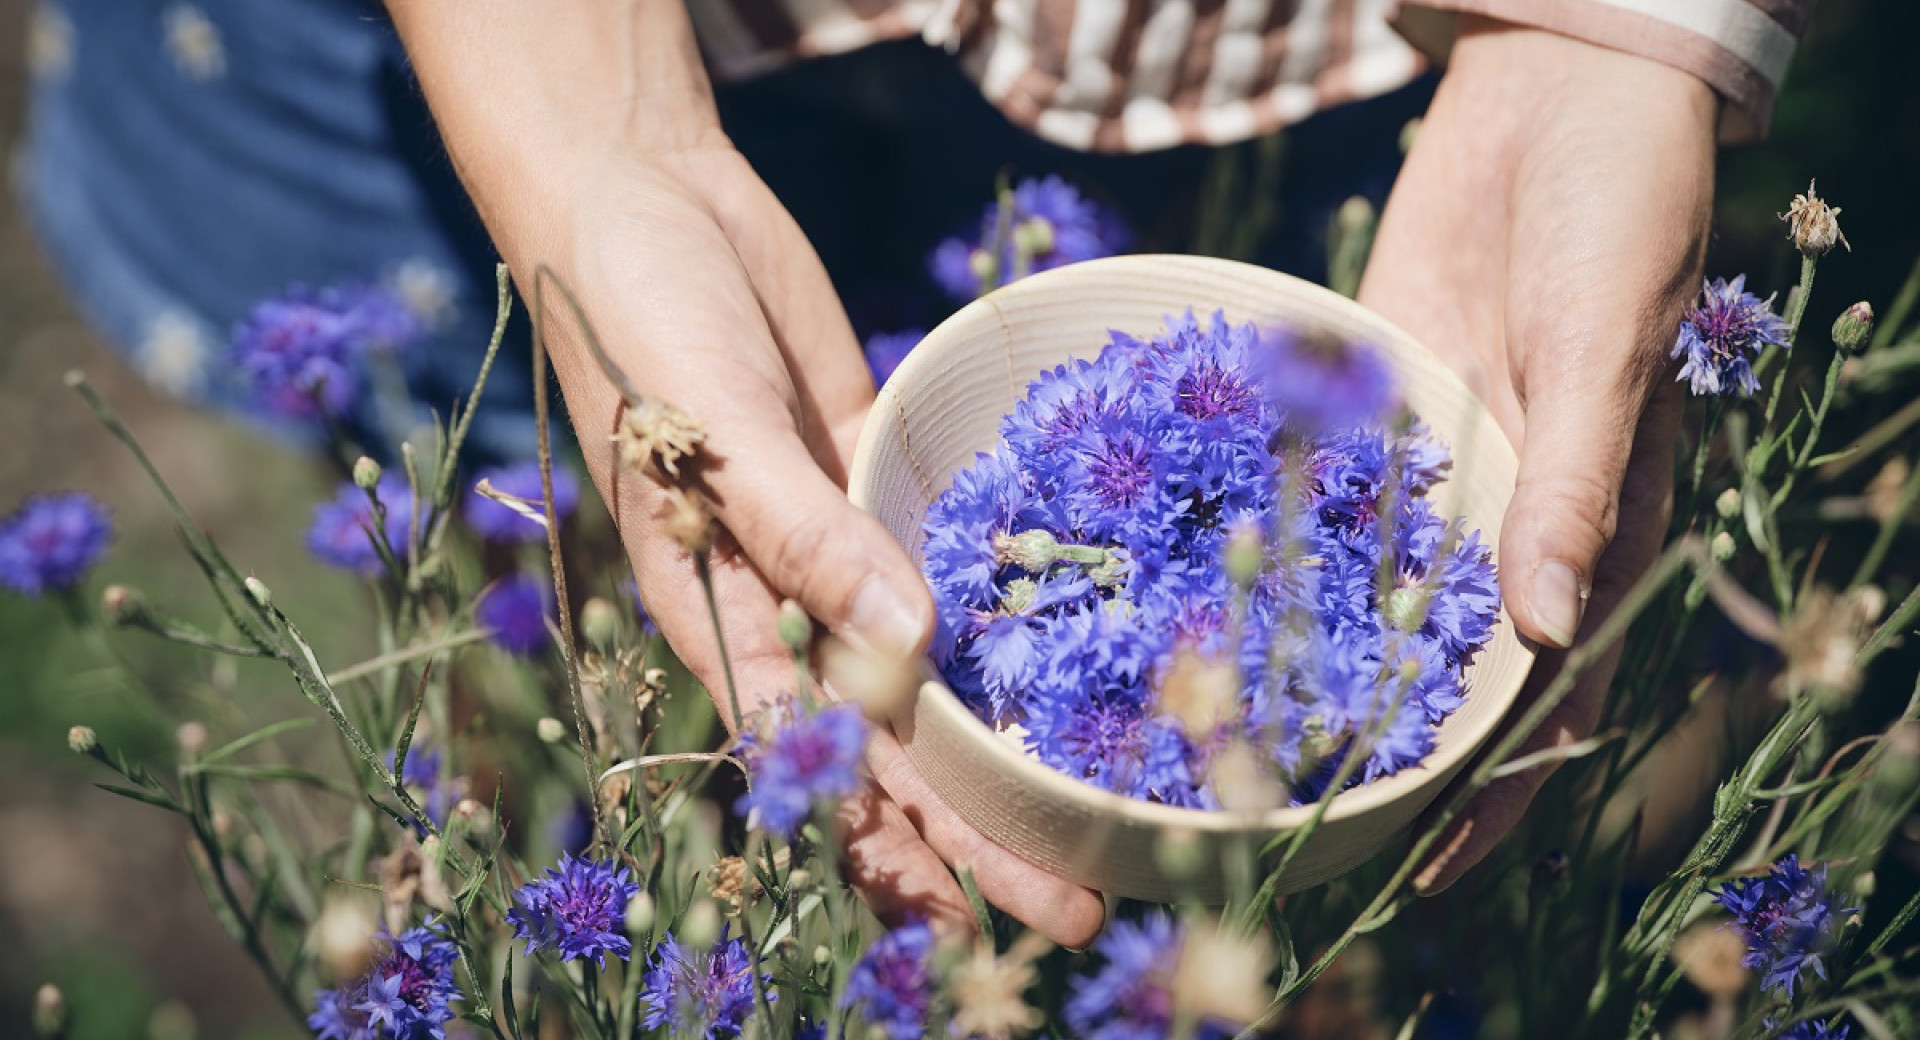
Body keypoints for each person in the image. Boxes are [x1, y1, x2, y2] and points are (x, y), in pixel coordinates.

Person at [20, 0, 1814, 948]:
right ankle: (570, 849)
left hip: (1255, 51)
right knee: (553, 552)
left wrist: (1602, 34)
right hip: (484, 48)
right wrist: (585, 140)